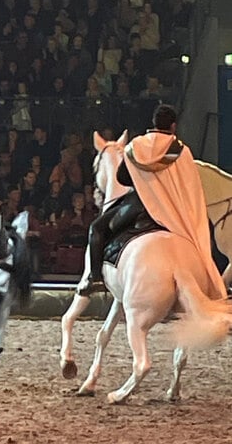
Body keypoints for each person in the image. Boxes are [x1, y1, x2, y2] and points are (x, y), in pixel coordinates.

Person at [79, 104, 225, 298]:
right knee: (206, 233)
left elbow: (122, 178)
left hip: (139, 206)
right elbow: (190, 184)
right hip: (173, 208)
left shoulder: (136, 147)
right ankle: (212, 278)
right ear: (173, 126)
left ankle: (96, 277)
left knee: (97, 228)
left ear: (154, 123)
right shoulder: (182, 151)